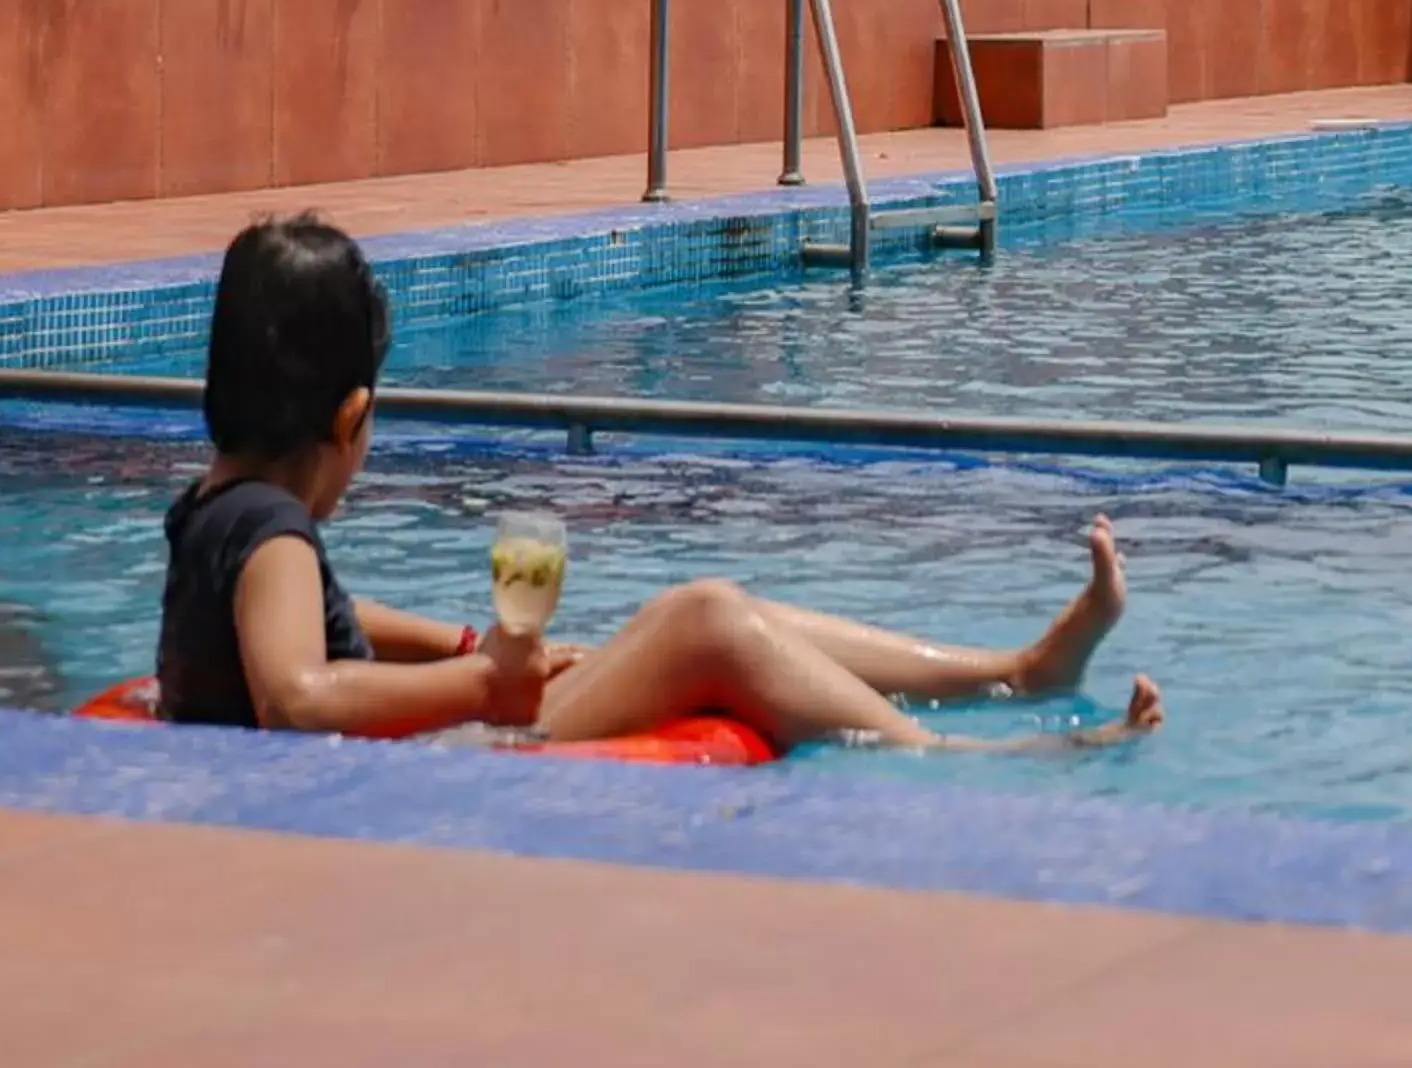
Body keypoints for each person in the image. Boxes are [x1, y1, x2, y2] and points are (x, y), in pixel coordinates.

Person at [157, 214, 1163, 752]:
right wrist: (481, 683)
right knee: (705, 616)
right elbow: (294, 693)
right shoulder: (276, 530)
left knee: (698, 618)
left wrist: (465, 640)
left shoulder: (221, 510)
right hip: (441, 760)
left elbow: (319, 615)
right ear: (351, 418)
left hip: (434, 732)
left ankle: (1015, 670)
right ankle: (973, 744)